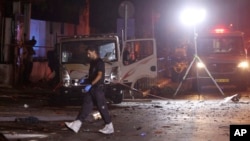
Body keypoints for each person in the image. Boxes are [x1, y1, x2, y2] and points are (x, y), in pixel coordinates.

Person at [65, 46, 114, 134]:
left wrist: (90, 84)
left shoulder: (100, 62)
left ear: (94, 51)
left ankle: (109, 126)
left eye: (89, 53)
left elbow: (99, 76)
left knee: (101, 107)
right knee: (86, 106)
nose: (88, 55)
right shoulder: (93, 62)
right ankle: (77, 124)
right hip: (92, 88)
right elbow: (92, 76)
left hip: (98, 88)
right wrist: (85, 80)